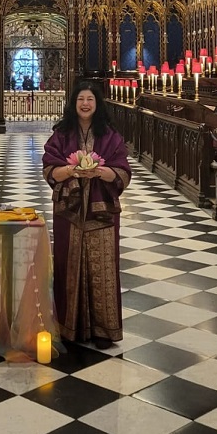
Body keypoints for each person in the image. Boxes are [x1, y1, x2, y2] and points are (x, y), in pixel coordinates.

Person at [42, 82, 131, 348]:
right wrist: (70, 171)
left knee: (102, 267)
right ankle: (69, 327)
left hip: (101, 213)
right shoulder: (61, 134)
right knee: (67, 264)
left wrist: (101, 172)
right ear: (73, 103)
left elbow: (123, 171)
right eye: (80, 98)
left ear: (97, 103)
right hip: (69, 212)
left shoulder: (111, 136)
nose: (85, 103)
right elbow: (49, 168)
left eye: (90, 99)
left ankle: (103, 330)